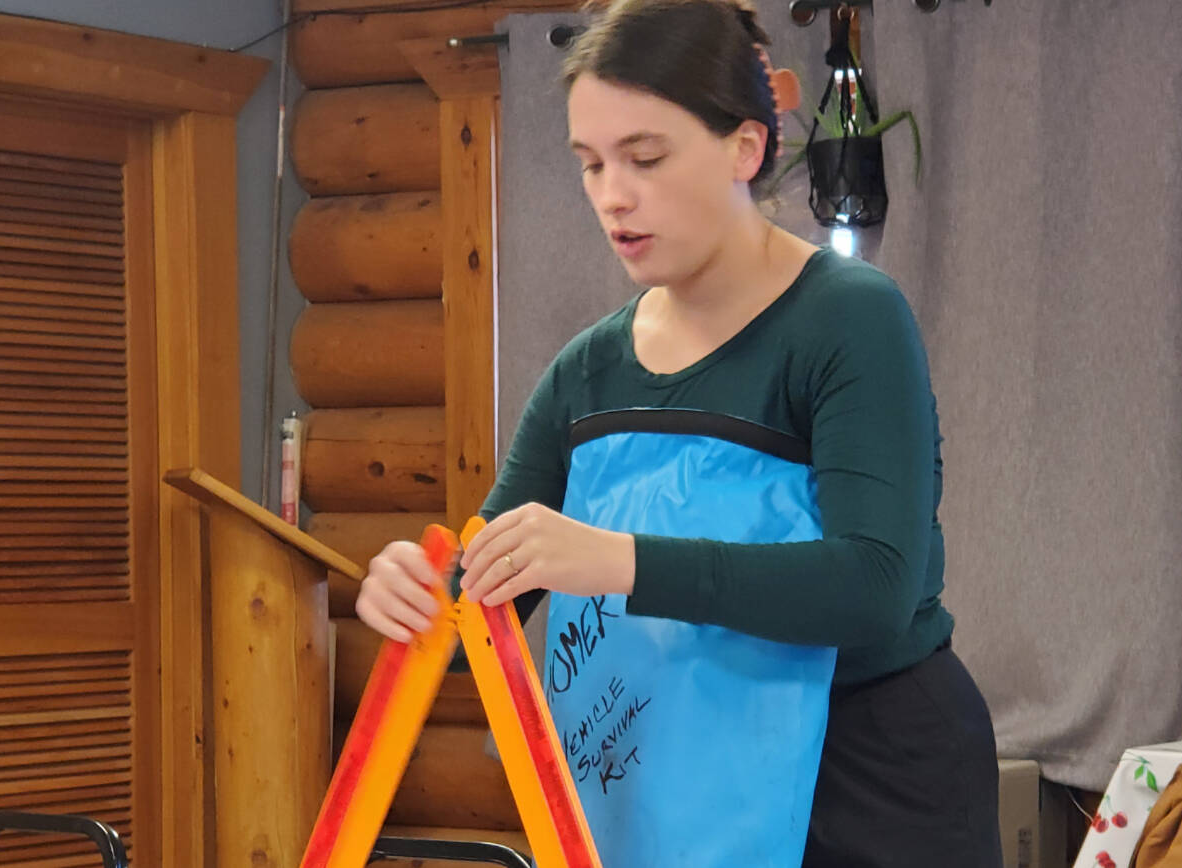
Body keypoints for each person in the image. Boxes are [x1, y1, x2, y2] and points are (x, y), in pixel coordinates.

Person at [355, 1, 1003, 865]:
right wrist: (422, 600)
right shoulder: (583, 375)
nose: (612, 195)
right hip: (667, 795)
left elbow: (873, 587)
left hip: (867, 792)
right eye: (589, 164)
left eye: (645, 157)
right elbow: (486, 609)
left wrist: (618, 561)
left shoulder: (849, 319)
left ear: (745, 145)